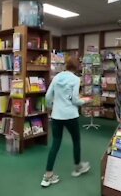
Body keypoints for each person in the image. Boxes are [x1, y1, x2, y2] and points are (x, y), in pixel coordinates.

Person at [41, 57, 92, 187]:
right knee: (76, 140)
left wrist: (51, 106)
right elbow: (75, 100)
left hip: (56, 115)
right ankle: (78, 167)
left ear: (66, 65)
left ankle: (48, 176)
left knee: (55, 144)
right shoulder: (75, 79)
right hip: (71, 115)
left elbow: (47, 96)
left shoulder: (57, 77)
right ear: (77, 67)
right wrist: (85, 100)